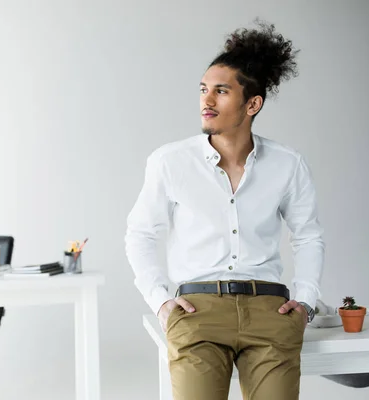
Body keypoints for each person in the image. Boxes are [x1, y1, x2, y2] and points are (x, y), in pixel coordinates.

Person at [125, 20, 324, 400]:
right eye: (203, 90)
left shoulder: (288, 164)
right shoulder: (170, 161)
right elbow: (140, 233)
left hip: (270, 311)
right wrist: (161, 301)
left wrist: (307, 302)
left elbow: (308, 235)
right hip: (197, 313)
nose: (207, 101)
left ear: (252, 104)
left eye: (221, 91)